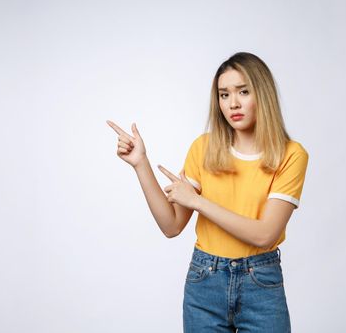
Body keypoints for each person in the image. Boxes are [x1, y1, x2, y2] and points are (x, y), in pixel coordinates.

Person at [107, 52, 309, 332]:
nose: (233, 103)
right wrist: (141, 164)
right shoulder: (204, 148)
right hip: (205, 282)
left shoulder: (291, 155)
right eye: (224, 95)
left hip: (261, 282)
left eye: (243, 91)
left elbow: (265, 234)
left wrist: (198, 202)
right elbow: (171, 225)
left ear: (262, 94)